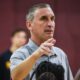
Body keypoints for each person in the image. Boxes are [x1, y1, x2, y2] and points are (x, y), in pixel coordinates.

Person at [10, 3, 73, 80]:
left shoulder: (61, 54)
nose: (50, 24)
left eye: (52, 19)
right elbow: (15, 77)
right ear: (29, 25)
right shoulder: (21, 53)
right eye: (43, 18)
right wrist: (37, 54)